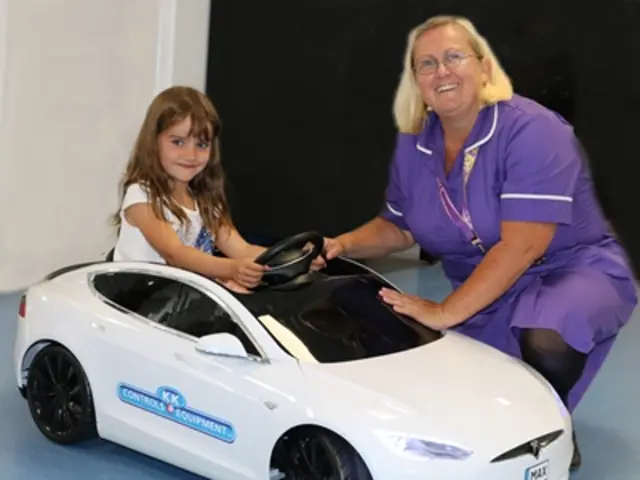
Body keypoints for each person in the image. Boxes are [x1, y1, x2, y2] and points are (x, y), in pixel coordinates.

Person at [321, 15, 638, 471]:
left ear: (484, 67)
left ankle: (551, 430)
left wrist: (446, 311)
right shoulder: (414, 144)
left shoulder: (534, 130)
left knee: (546, 338)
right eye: (426, 64)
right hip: (486, 282)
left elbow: (523, 246)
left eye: (454, 57)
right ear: (416, 81)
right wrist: (342, 244)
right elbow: (398, 226)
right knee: (438, 379)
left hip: (572, 269)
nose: (442, 71)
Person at [111, 86, 271, 292]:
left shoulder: (205, 201)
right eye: (178, 142)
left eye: (202, 145)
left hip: (183, 297)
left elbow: (242, 249)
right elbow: (175, 254)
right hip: (141, 302)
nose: (191, 155)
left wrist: (292, 258)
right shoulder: (141, 195)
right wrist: (231, 269)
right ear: (153, 143)